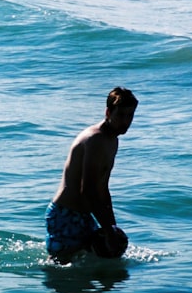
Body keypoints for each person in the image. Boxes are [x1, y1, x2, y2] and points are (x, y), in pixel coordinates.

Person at [46, 86, 138, 264]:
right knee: (62, 271)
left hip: (84, 216)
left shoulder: (112, 140)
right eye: (121, 115)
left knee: (98, 266)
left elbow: (103, 188)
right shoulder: (95, 139)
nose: (126, 121)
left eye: (130, 116)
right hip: (66, 214)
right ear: (108, 112)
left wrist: (112, 227)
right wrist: (108, 232)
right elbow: (87, 190)